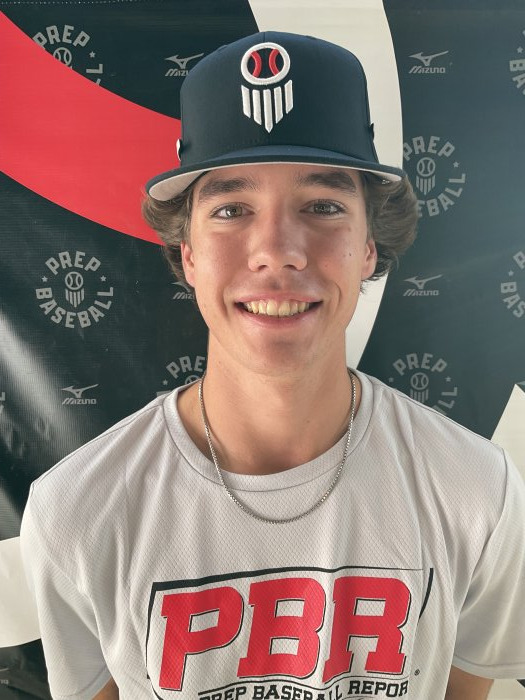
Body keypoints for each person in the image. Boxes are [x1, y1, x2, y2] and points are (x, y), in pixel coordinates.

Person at [21, 31, 525, 700]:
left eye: (323, 207)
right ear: (188, 253)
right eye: (231, 209)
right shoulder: (77, 511)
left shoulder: (476, 490)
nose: (277, 250)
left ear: (369, 247)